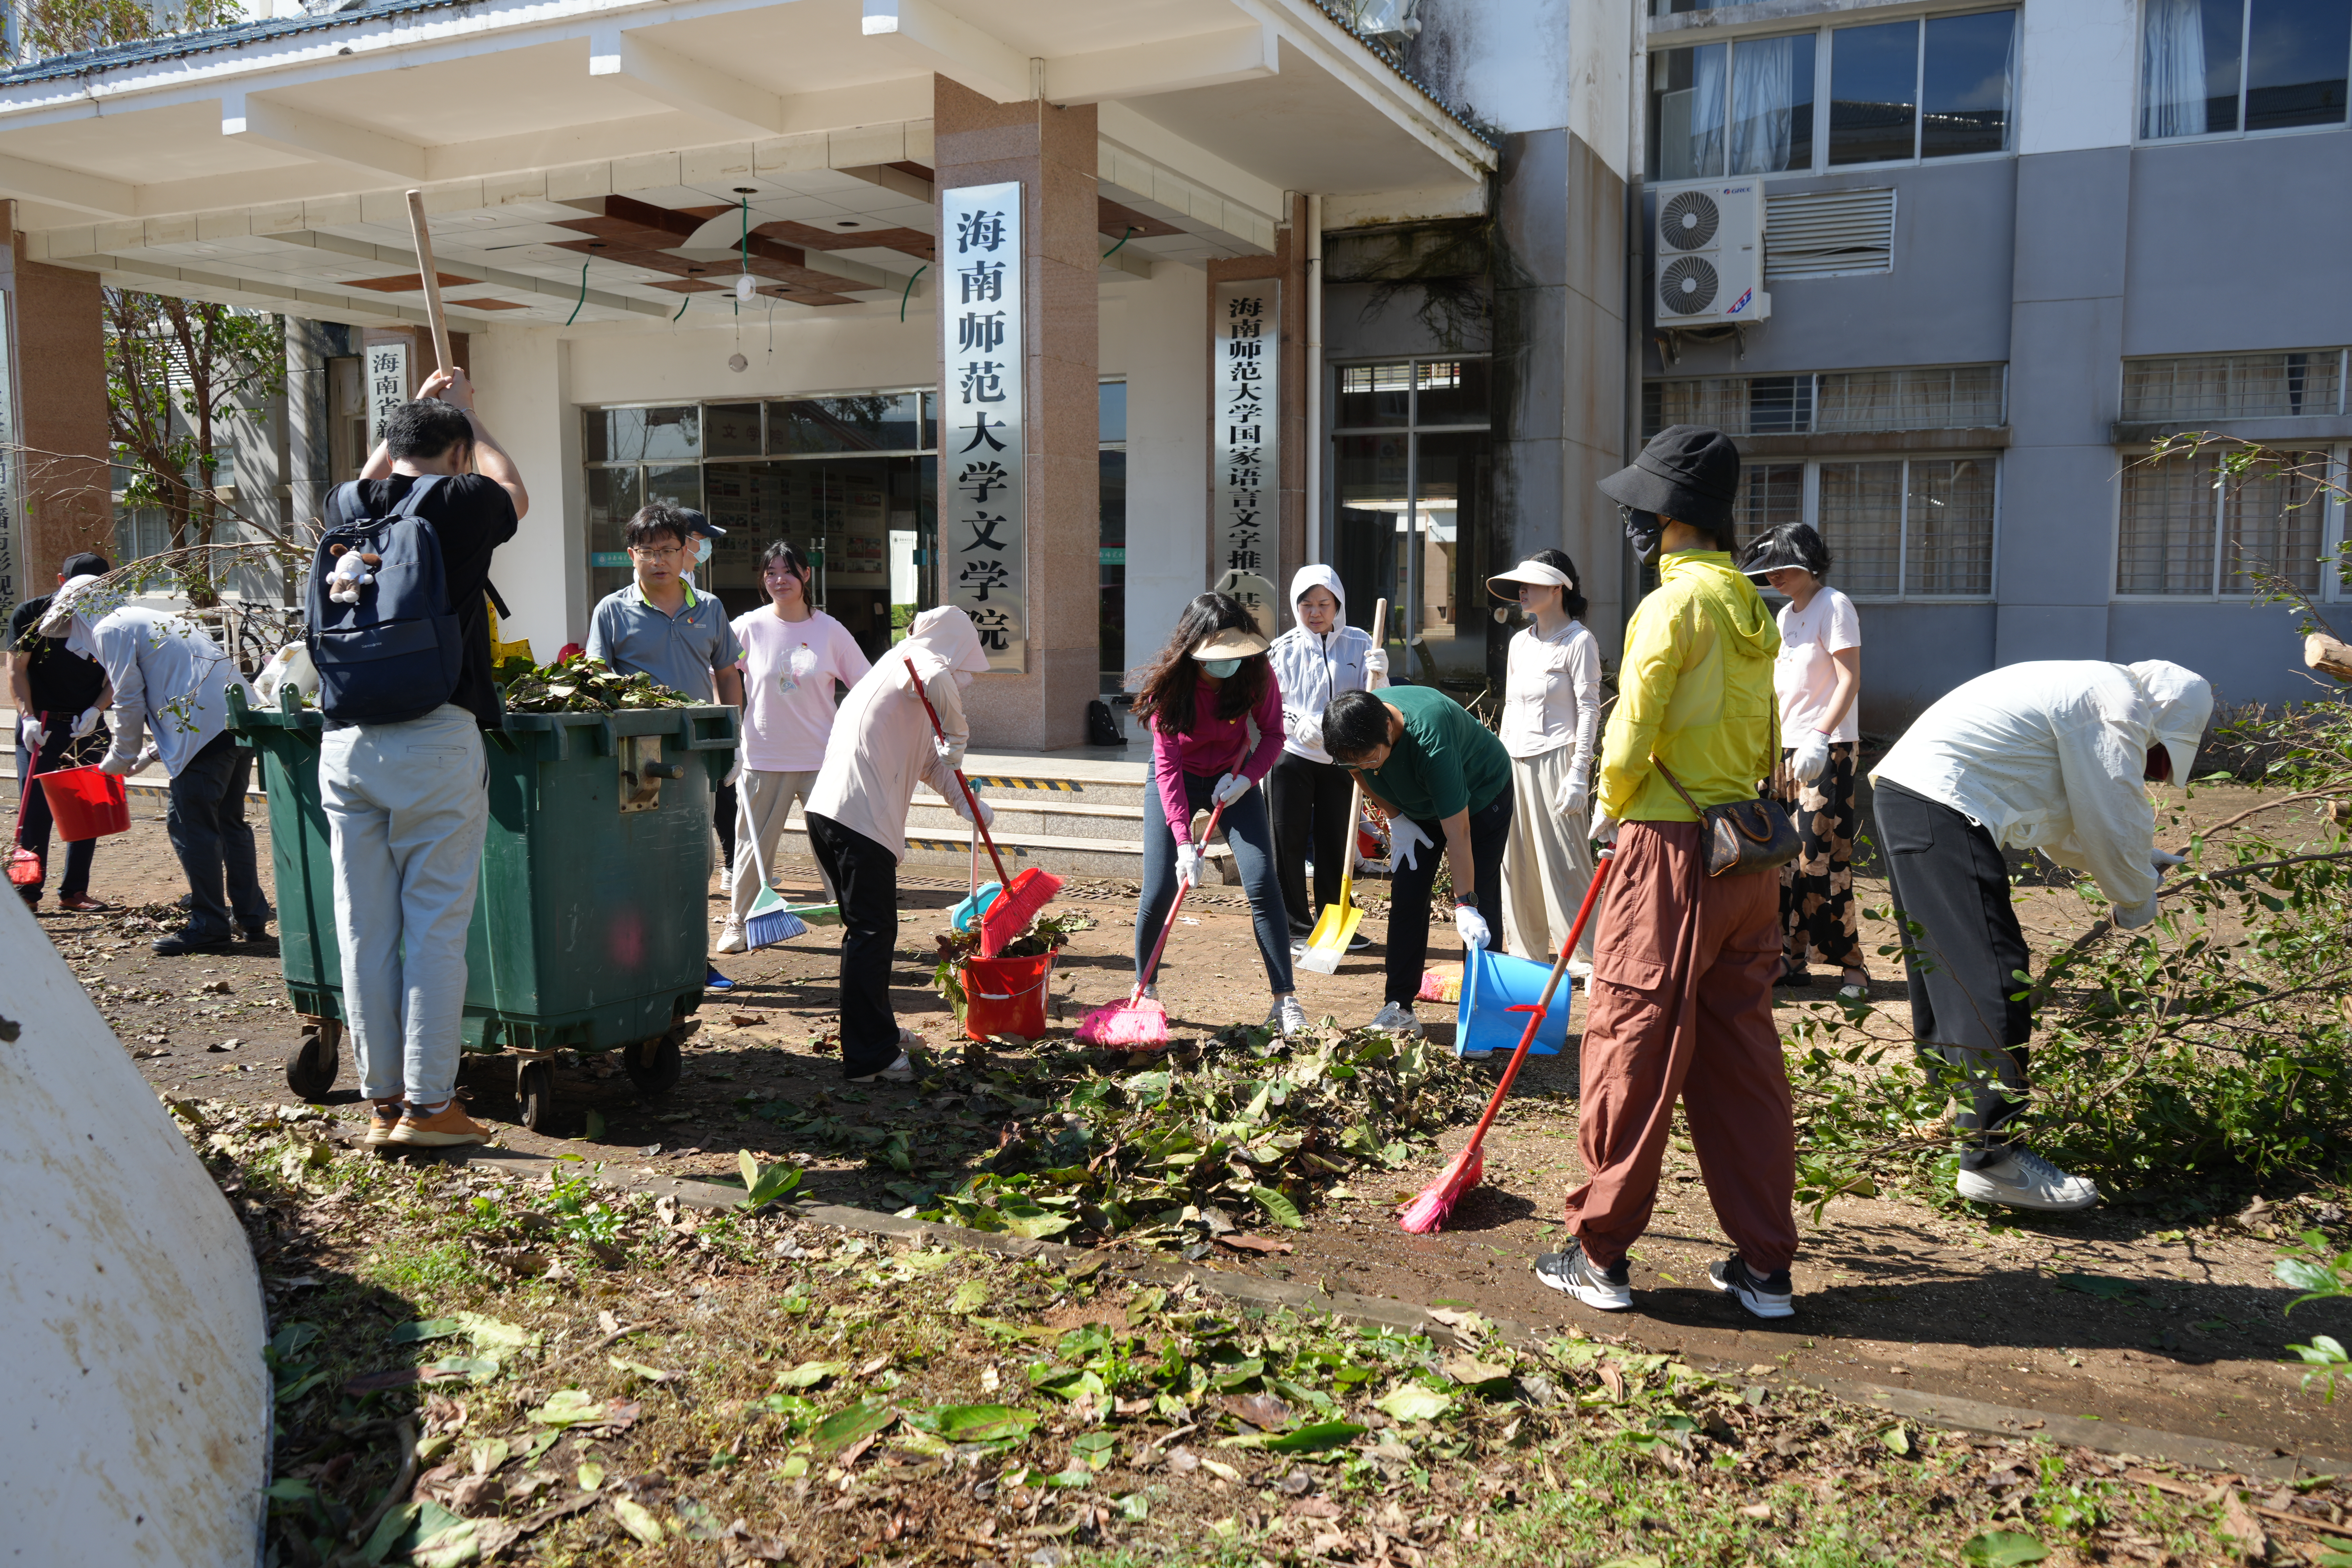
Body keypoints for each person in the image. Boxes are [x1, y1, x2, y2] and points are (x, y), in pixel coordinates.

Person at [1535, 424, 1798, 1323]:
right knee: (1741, 1060)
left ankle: (1598, 1252)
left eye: (1640, 510)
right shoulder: (1754, 607)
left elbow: (1631, 729)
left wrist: (1610, 811)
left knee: (1632, 1040)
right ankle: (1766, 1265)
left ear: (1669, 519)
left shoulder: (1670, 609)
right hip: (1747, 855)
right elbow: (1766, 732)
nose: (1632, 525)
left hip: (1670, 852)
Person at [1870, 659, 2211, 1213]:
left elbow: (2064, 821)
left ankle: (1957, 1115)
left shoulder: (2087, 690)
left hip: (1913, 794)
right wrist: (2134, 896)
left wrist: (2135, 865)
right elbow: (2111, 815)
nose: (2152, 772)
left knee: (1947, 968)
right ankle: (1992, 1159)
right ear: (2162, 719)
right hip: (1941, 801)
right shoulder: (2114, 700)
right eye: (2157, 759)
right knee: (1991, 971)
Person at [313, 370, 525, 1149]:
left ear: (393, 447)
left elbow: (378, 475)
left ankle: (381, 1100)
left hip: (345, 743)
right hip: (434, 735)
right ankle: (431, 1107)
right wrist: (474, 416)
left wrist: (414, 420)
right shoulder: (462, 503)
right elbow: (516, 489)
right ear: (459, 452)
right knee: (434, 926)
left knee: (363, 929)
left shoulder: (349, 506)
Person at [803, 606, 995, 1083]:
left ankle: (878, 1035)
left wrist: (968, 804)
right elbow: (937, 680)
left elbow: (932, 761)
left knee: (869, 935)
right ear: (950, 648)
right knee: (871, 937)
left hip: (834, 814)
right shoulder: (916, 662)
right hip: (857, 819)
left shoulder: (901, 679)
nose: (963, 679)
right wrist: (959, 733)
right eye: (963, 667)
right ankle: (871, 1058)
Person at [41, 576, 271, 957]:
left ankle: (210, 925)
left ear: (81, 611)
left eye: (70, 624)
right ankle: (250, 917)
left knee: (190, 824)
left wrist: (118, 759)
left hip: (202, 731)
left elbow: (130, 699)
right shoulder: (142, 617)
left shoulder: (111, 627)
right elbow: (172, 689)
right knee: (230, 823)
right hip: (236, 723)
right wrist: (145, 756)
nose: (72, 635)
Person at [586, 501, 747, 990]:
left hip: (697, 756)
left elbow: (727, 673)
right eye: (648, 551)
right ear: (632, 554)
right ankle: (631, 961)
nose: (659, 560)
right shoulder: (612, 611)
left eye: (669, 550)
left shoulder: (711, 608)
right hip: (637, 759)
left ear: (686, 553)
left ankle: (690, 961)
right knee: (636, 860)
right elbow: (595, 680)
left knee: (694, 860)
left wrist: (734, 738)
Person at [1129, 592, 1306, 1037]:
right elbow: (1166, 767)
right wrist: (1184, 841)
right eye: (1216, 656)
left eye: (1234, 654)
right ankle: (1146, 990)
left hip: (1233, 780)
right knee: (1160, 887)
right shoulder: (1169, 688)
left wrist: (1246, 780)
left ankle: (1285, 1000)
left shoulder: (1256, 673)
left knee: (1264, 882)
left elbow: (1273, 735)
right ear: (1193, 648)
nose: (1227, 663)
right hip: (1178, 779)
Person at [1320, 683, 1513, 1043]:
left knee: (1481, 900)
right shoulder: (1355, 732)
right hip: (1416, 810)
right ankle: (1399, 1007)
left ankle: (1483, 1016)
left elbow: (1459, 832)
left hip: (1482, 796)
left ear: (1390, 730)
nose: (1364, 767)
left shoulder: (1430, 739)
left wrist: (1464, 903)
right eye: (1353, 760)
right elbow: (1357, 773)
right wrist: (1396, 817)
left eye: (1372, 758)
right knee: (1407, 895)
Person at [715, 540, 870, 953]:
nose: (779, 580)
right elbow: (720, 676)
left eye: (788, 571)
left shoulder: (830, 630)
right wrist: (728, 739)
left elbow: (867, 685)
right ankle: (738, 922)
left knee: (839, 847)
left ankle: (853, 920)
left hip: (824, 760)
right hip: (764, 757)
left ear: (806, 575)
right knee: (751, 847)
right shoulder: (747, 626)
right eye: (770, 573)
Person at [1742, 523, 1870, 1000]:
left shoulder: (1833, 605)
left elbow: (1849, 679)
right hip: (1782, 749)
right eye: (1768, 567)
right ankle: (1788, 958)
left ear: (1808, 560)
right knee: (1778, 861)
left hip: (1827, 747)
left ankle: (1851, 967)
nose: (1774, 575)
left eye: (1783, 564)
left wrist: (1820, 735)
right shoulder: (1784, 616)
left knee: (1821, 860)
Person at [1489, 550, 1602, 974]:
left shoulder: (1579, 641)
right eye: (1520, 584)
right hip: (1512, 759)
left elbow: (1590, 708)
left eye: (1532, 584)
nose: (1523, 591)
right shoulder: (1519, 641)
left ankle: (1584, 956)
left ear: (1558, 588)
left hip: (1558, 758)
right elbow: (1510, 705)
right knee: (1515, 861)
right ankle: (1527, 956)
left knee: (1565, 860)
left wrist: (1579, 772)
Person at [1266, 565, 1387, 954]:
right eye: (1307, 604)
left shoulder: (1360, 642)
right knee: (1289, 840)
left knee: (1337, 841)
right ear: (1295, 606)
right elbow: (1269, 706)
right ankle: (1295, 926)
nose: (1315, 612)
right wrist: (1296, 722)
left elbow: (1377, 699)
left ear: (1338, 604)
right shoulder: (1282, 649)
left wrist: (1381, 677)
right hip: (1293, 758)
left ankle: (1335, 922)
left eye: (1324, 604)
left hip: (1341, 759)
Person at [10, 550, 115, 911]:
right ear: (61, 582)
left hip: (86, 723)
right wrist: (27, 717)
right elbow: (17, 670)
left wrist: (96, 710)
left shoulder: (112, 616)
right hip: (41, 725)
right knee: (35, 811)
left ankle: (74, 891)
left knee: (88, 808)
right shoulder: (31, 614)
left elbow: (121, 674)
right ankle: (27, 893)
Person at [674, 508, 740, 892]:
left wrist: (735, 731)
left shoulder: (706, 601)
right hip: (666, 727)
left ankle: (732, 864)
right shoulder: (625, 603)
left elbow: (727, 668)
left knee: (722, 795)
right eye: (703, 539)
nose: (707, 547)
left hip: (706, 717)